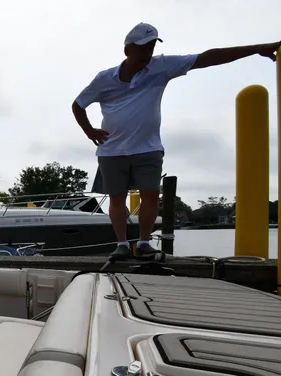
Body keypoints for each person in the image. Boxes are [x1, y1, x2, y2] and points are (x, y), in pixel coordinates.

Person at [72, 22, 279, 258]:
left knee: (151, 194)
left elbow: (206, 58)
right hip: (111, 150)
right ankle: (121, 245)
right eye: (141, 48)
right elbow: (78, 105)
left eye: (150, 47)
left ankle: (143, 243)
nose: (147, 54)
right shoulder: (104, 79)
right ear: (127, 50)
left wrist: (257, 48)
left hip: (147, 148)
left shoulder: (161, 66)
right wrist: (90, 131)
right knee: (117, 198)